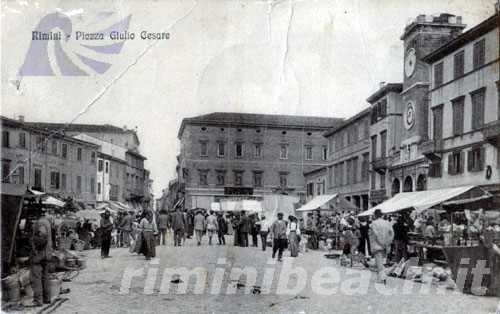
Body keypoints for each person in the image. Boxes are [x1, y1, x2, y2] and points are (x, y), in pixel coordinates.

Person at [30, 207, 53, 306]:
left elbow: (42, 236)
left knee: (36, 277)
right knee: (45, 276)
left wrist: (35, 247)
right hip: (47, 253)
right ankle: (47, 298)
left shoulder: (40, 223)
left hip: (40, 254)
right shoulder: (47, 222)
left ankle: (38, 300)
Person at [369, 209, 394, 284]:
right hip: (386, 246)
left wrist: (381, 242)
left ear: (375, 215)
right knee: (381, 262)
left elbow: (376, 234)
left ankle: (382, 277)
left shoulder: (374, 223)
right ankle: (380, 277)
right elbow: (392, 234)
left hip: (377, 245)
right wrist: (388, 242)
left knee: (379, 263)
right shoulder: (387, 223)